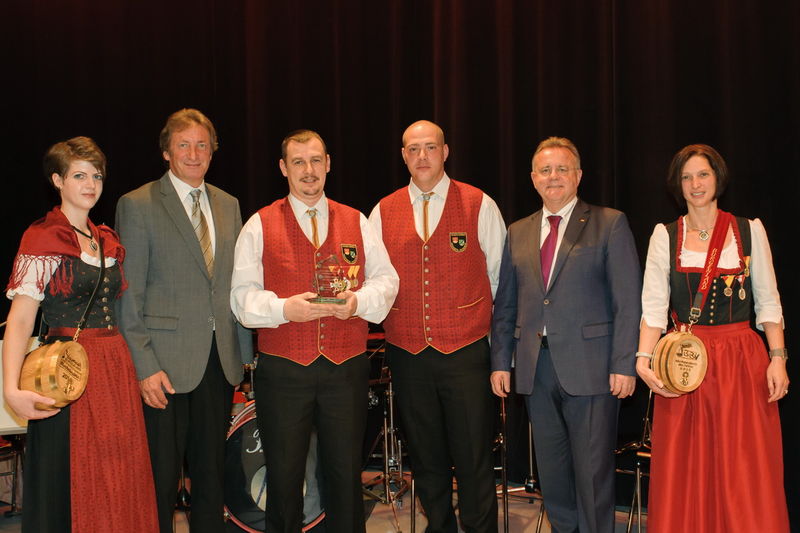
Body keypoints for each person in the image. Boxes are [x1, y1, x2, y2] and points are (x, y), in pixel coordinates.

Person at [230, 129, 398, 533]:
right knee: (284, 480)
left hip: (345, 369)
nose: (309, 170)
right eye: (299, 162)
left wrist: (358, 302)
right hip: (284, 370)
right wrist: (284, 309)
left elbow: (387, 280)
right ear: (283, 168)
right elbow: (241, 297)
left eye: (316, 160)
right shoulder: (259, 224)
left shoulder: (356, 221)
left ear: (329, 164)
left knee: (345, 477)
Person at [2, 137, 158, 532]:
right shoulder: (43, 237)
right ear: (57, 180)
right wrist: (10, 389)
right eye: (79, 176)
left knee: (119, 471)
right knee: (74, 472)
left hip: (114, 367)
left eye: (97, 176)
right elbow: (20, 320)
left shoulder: (106, 239)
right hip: (67, 369)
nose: (90, 184)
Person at [635, 144, 790, 532]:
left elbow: (768, 301)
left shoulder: (749, 231)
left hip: (741, 362)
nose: (695, 184)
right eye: (686, 177)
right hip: (684, 364)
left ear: (718, 178)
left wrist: (778, 358)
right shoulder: (665, 236)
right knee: (686, 465)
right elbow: (653, 307)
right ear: (678, 185)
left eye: (702, 174)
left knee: (744, 466)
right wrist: (643, 360)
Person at [490, 137, 641, 533]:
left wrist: (624, 364)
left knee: (592, 476)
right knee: (553, 475)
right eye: (545, 170)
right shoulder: (518, 231)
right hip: (534, 370)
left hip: (593, 370)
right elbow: (506, 304)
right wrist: (500, 361)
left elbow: (628, 302)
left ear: (578, 175)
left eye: (561, 169)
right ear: (533, 178)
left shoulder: (610, 223)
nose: (553, 177)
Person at [116, 109, 253, 533]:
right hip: (163, 368)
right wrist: (144, 367)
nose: (194, 154)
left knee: (212, 478)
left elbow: (236, 284)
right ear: (166, 152)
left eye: (202, 145)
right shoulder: (137, 205)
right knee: (158, 481)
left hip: (218, 362)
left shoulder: (229, 205)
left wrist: (244, 357)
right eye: (184, 145)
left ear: (213, 152)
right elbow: (128, 296)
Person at [369, 120, 506, 533]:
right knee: (426, 460)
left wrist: (496, 347)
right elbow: (374, 282)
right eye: (413, 149)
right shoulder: (382, 211)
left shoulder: (479, 204)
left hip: (466, 352)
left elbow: (501, 281)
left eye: (430, 147)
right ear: (403, 156)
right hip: (408, 354)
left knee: (473, 457)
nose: (422, 156)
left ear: (445, 152)